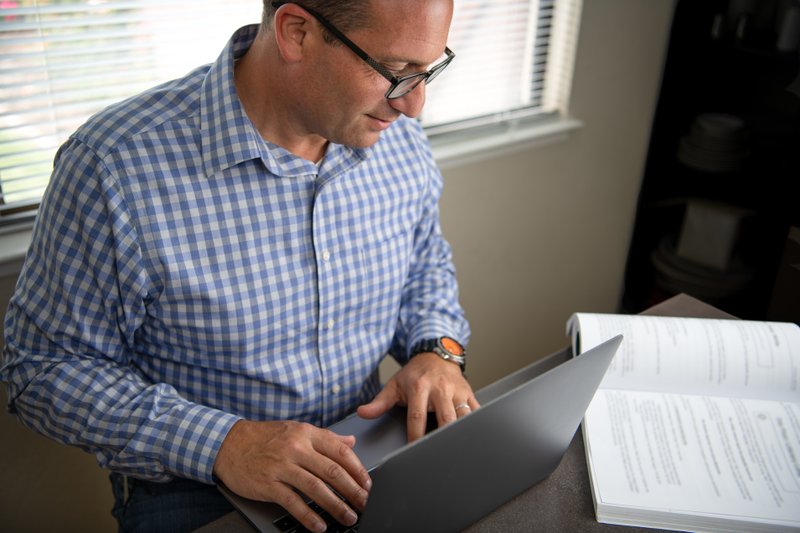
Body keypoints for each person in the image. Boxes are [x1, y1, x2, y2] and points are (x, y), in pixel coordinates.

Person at [0, 0, 477, 531]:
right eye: (393, 70)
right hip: (199, 487)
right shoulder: (114, 167)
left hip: (363, 452)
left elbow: (424, 264)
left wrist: (437, 350)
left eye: (428, 68)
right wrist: (222, 443)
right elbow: (40, 368)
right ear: (296, 32)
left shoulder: (392, 132)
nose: (413, 104)